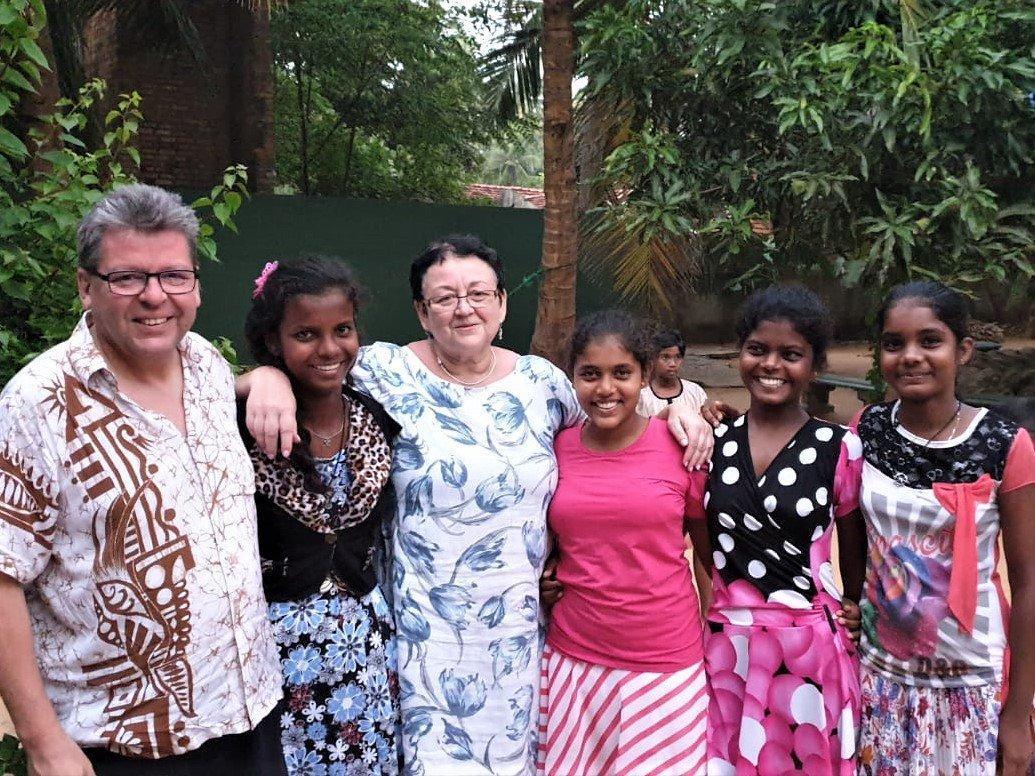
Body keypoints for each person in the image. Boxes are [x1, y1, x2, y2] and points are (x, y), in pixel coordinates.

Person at [238, 236, 715, 775]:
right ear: (422, 312)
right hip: (422, 634)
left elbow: (607, 439)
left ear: (503, 304)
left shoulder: (543, 383)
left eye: (479, 293)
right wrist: (266, 379)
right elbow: (310, 364)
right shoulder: (382, 370)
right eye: (444, 298)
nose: (463, 308)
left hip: (521, 632)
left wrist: (678, 414)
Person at [0, 184, 283, 776]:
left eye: (174, 276)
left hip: (248, 717)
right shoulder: (36, 403)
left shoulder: (206, 366)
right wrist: (42, 740)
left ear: (196, 285)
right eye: (127, 278)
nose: (155, 296)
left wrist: (266, 378)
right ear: (87, 286)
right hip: (123, 747)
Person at [854, 281, 1035, 776]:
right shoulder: (866, 430)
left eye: (930, 341)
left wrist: (1018, 714)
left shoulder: (1005, 444)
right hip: (880, 681)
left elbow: (1027, 582)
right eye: (894, 343)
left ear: (964, 350)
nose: (911, 356)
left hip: (971, 683)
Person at [240, 257, 402, 775]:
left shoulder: (376, 420)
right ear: (274, 341)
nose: (330, 349)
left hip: (366, 652)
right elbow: (189, 391)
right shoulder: (244, 428)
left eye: (343, 330)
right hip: (277, 655)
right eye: (306, 334)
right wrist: (260, 379)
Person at [536, 311, 712, 776]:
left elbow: (707, 555)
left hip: (664, 657)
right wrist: (547, 576)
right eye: (590, 374)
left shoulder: (682, 447)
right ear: (573, 377)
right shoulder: (556, 448)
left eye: (621, 373)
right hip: (574, 655)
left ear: (645, 375)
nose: (606, 389)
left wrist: (713, 624)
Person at [703, 285, 865, 775]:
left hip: (808, 645)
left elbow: (854, 543)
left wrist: (853, 604)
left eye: (791, 354)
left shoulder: (839, 447)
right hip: (728, 644)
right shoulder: (711, 441)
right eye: (757, 349)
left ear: (814, 366)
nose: (770, 364)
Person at [636, 327, 707, 418]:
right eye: (665, 357)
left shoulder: (695, 392)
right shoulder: (642, 397)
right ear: (653, 359)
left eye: (677, 357)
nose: (673, 364)